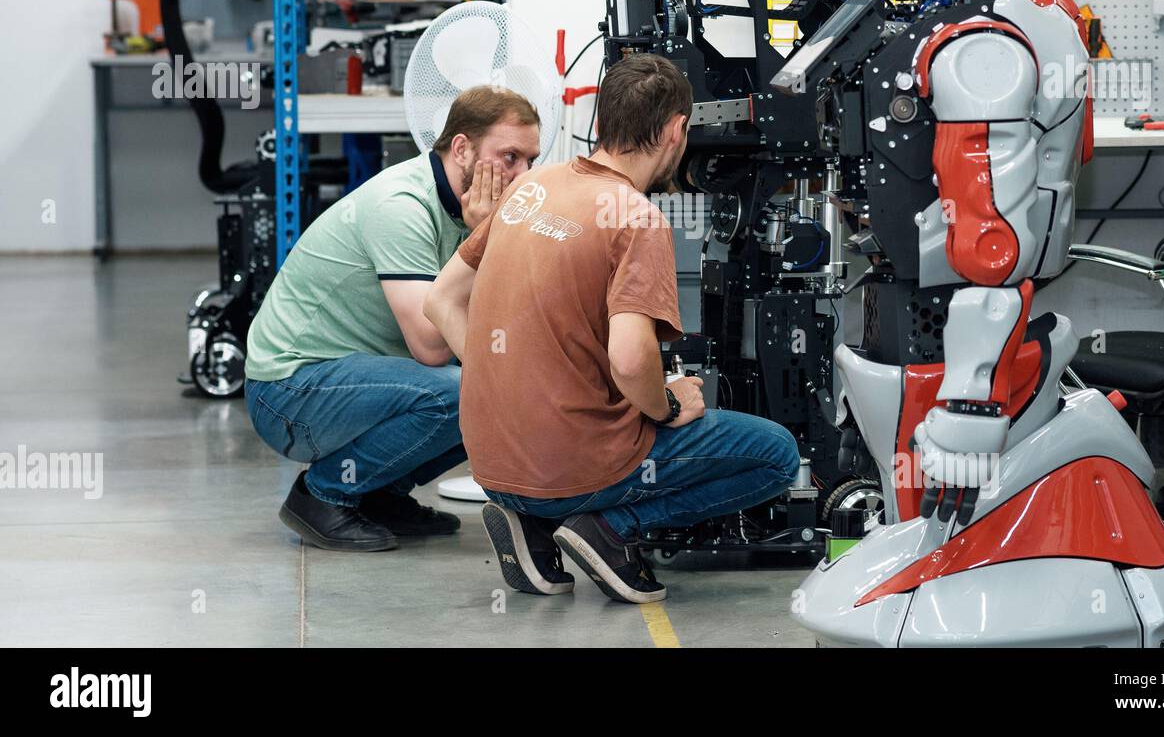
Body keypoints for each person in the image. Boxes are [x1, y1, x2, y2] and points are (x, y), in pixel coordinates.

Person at [424, 54, 800, 603]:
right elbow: (628, 360)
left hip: (491, 460)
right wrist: (666, 404)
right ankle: (609, 529)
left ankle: (531, 524)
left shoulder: (531, 188)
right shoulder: (636, 218)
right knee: (776, 455)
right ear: (676, 130)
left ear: (603, 121)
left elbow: (441, 300)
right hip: (569, 466)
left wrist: (503, 380)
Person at [244, 85, 541, 552]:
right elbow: (432, 345)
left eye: (530, 161)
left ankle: (377, 494)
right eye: (509, 157)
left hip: (349, 377)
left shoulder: (469, 208)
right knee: (468, 389)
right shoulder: (402, 206)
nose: (522, 175)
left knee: (506, 383)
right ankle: (321, 495)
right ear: (461, 148)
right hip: (287, 392)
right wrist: (486, 238)